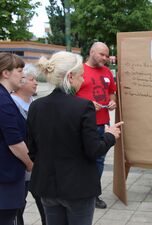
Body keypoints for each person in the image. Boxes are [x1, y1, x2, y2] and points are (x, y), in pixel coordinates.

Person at [27, 51, 123, 225]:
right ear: (70, 76)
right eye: (81, 76)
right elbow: (93, 150)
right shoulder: (83, 106)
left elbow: (32, 151)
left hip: (47, 186)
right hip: (78, 188)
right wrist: (110, 135)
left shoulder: (36, 106)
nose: (83, 80)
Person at [76, 42, 117, 209]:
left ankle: (93, 194)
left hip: (102, 123)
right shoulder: (78, 70)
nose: (105, 59)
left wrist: (113, 101)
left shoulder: (107, 71)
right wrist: (87, 104)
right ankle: (79, 191)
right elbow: (69, 95)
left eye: (107, 56)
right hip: (81, 123)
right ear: (91, 52)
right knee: (81, 158)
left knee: (99, 160)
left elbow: (111, 92)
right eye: (102, 54)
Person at [0, 53, 33, 225]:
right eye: (19, 70)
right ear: (6, 73)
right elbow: (14, 142)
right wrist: (30, 164)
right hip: (6, 178)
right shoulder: (4, 101)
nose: (23, 75)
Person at [11, 64, 46, 225]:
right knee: (18, 206)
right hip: (21, 164)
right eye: (32, 79)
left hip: (37, 164)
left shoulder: (35, 103)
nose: (36, 82)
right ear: (21, 81)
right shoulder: (11, 104)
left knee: (44, 204)